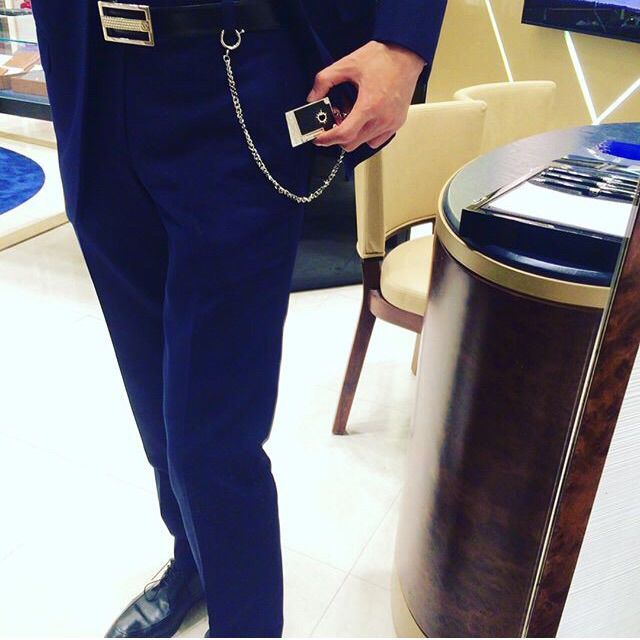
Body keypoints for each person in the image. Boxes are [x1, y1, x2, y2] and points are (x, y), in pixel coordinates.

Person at [29, 0, 447, 637]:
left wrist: (404, 45)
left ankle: (246, 623)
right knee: (153, 391)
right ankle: (194, 562)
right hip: (91, 72)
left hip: (234, 67)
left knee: (213, 436)